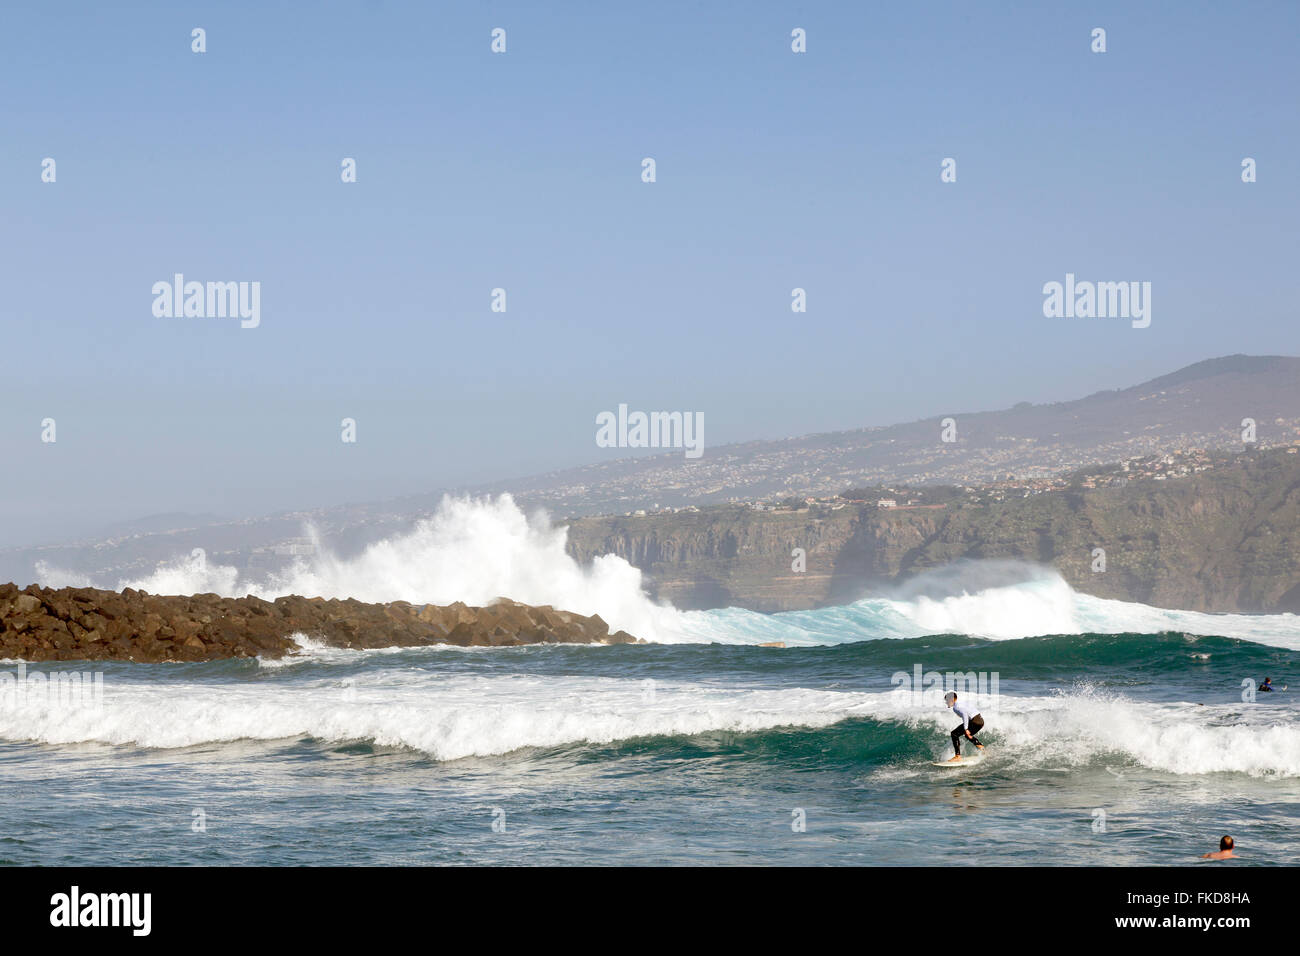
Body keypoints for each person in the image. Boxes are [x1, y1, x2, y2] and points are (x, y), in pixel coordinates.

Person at [945, 691, 985, 762]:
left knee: (954, 734)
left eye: (947, 700)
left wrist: (966, 728)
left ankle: (957, 756)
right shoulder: (962, 703)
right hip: (980, 721)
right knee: (968, 735)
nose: (946, 702)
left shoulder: (956, 707)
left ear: (952, 700)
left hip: (974, 721)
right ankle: (982, 748)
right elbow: (970, 711)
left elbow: (965, 715)